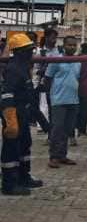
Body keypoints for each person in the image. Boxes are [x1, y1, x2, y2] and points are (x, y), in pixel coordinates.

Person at [1, 33, 43, 195]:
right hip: (13, 115)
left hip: (23, 113)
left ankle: (23, 177)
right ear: (19, 52)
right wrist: (10, 121)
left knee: (25, 145)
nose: (31, 53)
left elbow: (27, 94)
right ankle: (9, 185)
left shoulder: (23, 67)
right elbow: (7, 95)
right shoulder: (13, 69)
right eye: (28, 50)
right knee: (11, 149)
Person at [43, 36, 80, 168]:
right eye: (69, 45)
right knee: (57, 129)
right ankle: (53, 157)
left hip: (73, 100)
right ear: (64, 45)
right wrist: (50, 96)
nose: (72, 47)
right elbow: (47, 79)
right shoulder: (56, 60)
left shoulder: (78, 61)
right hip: (58, 100)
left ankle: (62, 156)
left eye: (74, 45)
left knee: (67, 129)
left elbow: (77, 79)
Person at [75, 43, 87, 141]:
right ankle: (82, 130)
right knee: (85, 111)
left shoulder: (77, 58)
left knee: (77, 110)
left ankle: (77, 129)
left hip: (77, 87)